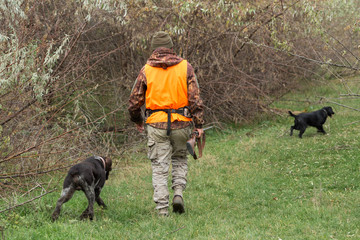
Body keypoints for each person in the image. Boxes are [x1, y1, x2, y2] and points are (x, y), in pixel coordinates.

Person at [128, 31, 204, 216]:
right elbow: (195, 99)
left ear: (154, 48)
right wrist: (199, 124)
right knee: (179, 159)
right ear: (171, 48)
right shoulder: (186, 67)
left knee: (159, 167)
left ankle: (162, 210)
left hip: (156, 125)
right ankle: (178, 193)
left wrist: (138, 120)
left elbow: (134, 102)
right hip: (182, 123)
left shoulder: (146, 70)